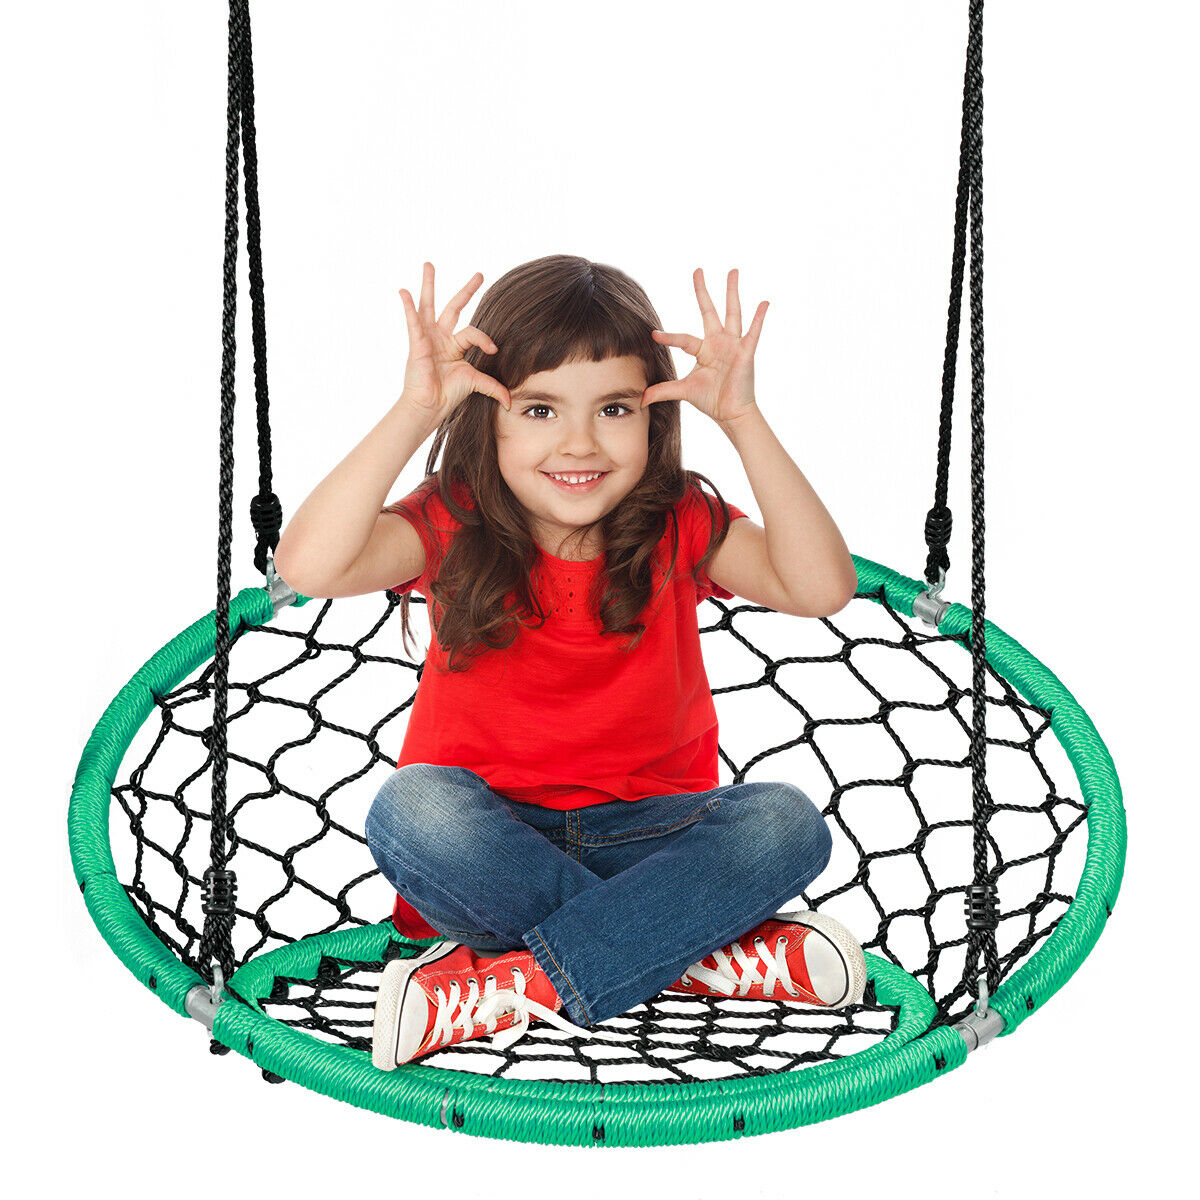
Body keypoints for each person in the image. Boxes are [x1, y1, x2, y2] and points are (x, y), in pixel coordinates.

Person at [273, 255, 865, 1071]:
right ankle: (685, 957)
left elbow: (821, 587)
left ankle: (525, 981)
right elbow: (309, 567)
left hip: (652, 847)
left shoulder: (677, 522)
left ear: (655, 418)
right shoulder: (452, 519)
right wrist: (415, 411)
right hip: (490, 851)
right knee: (413, 810)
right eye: (540, 409)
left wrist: (743, 419)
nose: (579, 443)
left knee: (783, 822)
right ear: (488, 416)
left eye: (614, 408)